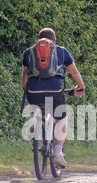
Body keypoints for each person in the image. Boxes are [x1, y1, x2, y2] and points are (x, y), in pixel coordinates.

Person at [22, 28, 85, 167]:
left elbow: (25, 75)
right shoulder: (62, 51)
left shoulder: (28, 52)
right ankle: (57, 152)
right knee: (62, 118)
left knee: (35, 110)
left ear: (38, 39)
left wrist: (28, 92)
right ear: (54, 40)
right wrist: (80, 86)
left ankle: (37, 137)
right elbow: (74, 72)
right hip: (55, 90)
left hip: (33, 90)